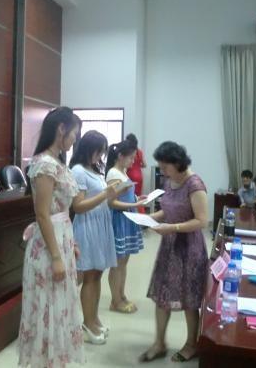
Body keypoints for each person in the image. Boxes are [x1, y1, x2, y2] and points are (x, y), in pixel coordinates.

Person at [18, 107, 90, 367]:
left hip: (61, 240)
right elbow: (43, 214)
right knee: (48, 306)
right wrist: (57, 257)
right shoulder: (46, 164)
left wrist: (72, 244)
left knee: (59, 305)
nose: (74, 140)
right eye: (74, 134)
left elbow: (64, 211)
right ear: (61, 129)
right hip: (49, 247)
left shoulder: (57, 163)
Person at [140, 141, 208, 363]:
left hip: (189, 247)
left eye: (165, 166)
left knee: (189, 299)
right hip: (169, 246)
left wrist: (173, 227)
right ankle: (159, 342)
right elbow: (166, 210)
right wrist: (148, 218)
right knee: (162, 294)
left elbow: (201, 220)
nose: (162, 171)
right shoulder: (170, 181)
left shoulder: (195, 184)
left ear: (178, 163)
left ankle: (191, 345)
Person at [69, 130, 125, 345]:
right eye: (98, 151)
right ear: (88, 149)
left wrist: (114, 193)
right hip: (87, 226)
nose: (101, 156)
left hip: (101, 224)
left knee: (98, 274)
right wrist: (104, 194)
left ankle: (94, 319)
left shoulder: (94, 169)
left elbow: (102, 197)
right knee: (90, 276)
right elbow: (78, 206)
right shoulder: (78, 171)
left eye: (102, 152)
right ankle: (87, 323)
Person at [106, 140, 147, 314]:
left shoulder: (122, 172)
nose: (133, 161)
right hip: (119, 220)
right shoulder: (113, 174)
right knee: (117, 263)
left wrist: (136, 199)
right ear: (120, 156)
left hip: (127, 217)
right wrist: (132, 205)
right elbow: (112, 202)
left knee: (124, 262)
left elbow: (125, 196)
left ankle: (121, 296)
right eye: (130, 158)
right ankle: (115, 301)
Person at [126, 133, 147, 214]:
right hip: (139, 175)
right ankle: (141, 213)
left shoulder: (129, 152)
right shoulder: (140, 151)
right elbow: (144, 165)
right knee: (139, 195)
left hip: (130, 174)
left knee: (131, 196)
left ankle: (133, 212)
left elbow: (126, 165)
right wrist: (137, 166)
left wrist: (132, 166)